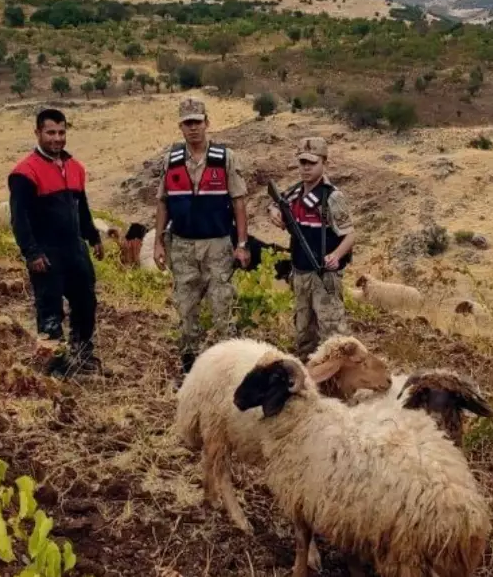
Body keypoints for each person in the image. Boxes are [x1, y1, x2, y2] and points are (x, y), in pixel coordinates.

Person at [153, 97, 250, 374]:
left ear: (207, 123)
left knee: (223, 307)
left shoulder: (225, 158)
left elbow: (239, 202)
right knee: (185, 308)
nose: (193, 128)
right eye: (187, 123)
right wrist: (159, 242)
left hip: (217, 244)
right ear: (180, 127)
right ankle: (189, 368)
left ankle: (232, 369)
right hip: (182, 245)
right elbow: (163, 202)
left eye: (197, 122)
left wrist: (241, 244)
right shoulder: (171, 161)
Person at [8, 108, 104, 377]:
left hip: (75, 249)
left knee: (86, 302)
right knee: (50, 309)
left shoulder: (75, 168)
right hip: (46, 252)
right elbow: (19, 218)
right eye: (51, 132)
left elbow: (81, 207)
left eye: (62, 132)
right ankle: (55, 365)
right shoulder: (24, 173)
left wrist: (93, 236)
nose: (57, 138)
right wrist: (31, 252)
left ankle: (82, 354)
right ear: (37, 133)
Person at [268, 136, 356, 357]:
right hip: (300, 273)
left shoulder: (332, 197)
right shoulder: (295, 192)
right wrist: (274, 211)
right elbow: (274, 203)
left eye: (312, 163)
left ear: (324, 163)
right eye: (302, 163)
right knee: (304, 333)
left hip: (323, 274)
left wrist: (335, 255)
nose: (306, 168)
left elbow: (350, 235)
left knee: (334, 334)